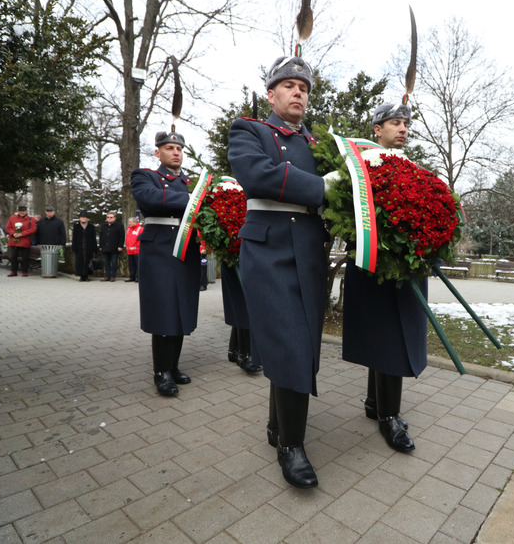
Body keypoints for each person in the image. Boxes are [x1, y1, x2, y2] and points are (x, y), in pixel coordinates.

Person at [228, 54, 336, 489]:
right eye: (289, 86)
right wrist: (321, 187)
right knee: (289, 342)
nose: (298, 92)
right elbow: (257, 176)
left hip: (309, 249)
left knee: (304, 343)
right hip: (269, 248)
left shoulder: (321, 145)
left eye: (304, 87)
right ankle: (292, 446)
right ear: (271, 94)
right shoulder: (249, 130)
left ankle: (277, 426)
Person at [338, 102, 425, 454]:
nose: (402, 128)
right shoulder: (359, 166)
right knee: (386, 336)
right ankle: (389, 416)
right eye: (394, 123)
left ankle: (377, 403)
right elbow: (345, 209)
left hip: (404, 265)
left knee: (394, 334)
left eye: (405, 123)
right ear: (377, 129)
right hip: (375, 263)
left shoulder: (411, 167)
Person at [131, 131, 202, 397]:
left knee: (181, 306)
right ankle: (160, 372)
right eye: (169, 148)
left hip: (186, 248)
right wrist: (192, 199)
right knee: (163, 309)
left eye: (179, 149)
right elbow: (149, 198)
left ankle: (172, 367)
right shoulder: (144, 176)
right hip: (159, 248)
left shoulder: (191, 182)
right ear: (157, 152)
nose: (176, 152)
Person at [6, 206, 37, 277]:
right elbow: (8, 227)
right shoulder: (12, 218)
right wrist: (13, 233)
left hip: (24, 240)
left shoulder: (31, 219)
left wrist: (22, 234)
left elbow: (33, 229)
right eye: (20, 211)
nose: (22, 212)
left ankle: (24, 271)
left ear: (26, 211)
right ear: (18, 211)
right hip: (14, 240)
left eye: (23, 211)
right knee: (13, 256)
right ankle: (13, 271)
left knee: (25, 257)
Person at [99, 212, 125, 282]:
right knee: (106, 262)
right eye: (108, 217)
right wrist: (101, 245)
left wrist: (120, 246)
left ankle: (113, 276)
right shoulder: (104, 226)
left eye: (111, 217)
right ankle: (107, 275)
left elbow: (121, 237)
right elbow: (101, 236)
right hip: (105, 247)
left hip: (115, 247)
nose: (109, 219)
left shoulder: (119, 226)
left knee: (114, 262)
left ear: (114, 218)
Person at [72, 212, 98, 282]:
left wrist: (95, 248)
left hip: (88, 247)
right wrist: (74, 246)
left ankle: (86, 275)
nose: (83, 219)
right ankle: (81, 276)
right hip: (79, 247)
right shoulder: (76, 226)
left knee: (87, 261)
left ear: (87, 218)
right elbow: (74, 238)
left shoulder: (91, 227)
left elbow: (93, 238)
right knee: (80, 262)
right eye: (82, 217)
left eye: (84, 217)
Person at [124, 217, 142, 282]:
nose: (129, 223)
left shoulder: (140, 229)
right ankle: (132, 277)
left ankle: (138, 277)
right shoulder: (129, 229)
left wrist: (137, 248)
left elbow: (139, 240)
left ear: (135, 222)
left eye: (130, 222)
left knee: (138, 265)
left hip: (136, 250)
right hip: (130, 251)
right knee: (131, 265)